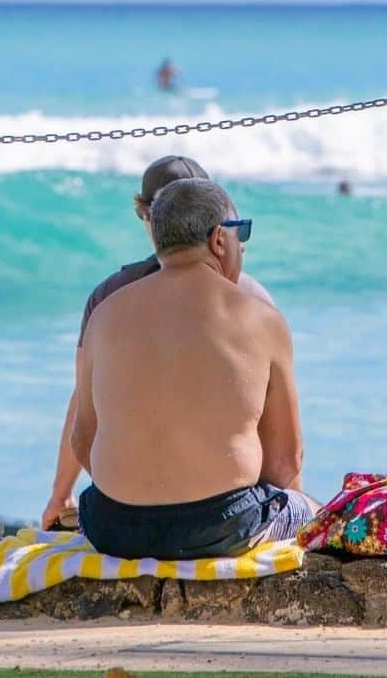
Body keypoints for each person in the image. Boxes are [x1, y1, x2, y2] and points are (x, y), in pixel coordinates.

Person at [71, 177, 316, 559]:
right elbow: (286, 462)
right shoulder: (261, 319)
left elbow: (82, 442)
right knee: (308, 508)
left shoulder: (105, 314)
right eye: (241, 233)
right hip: (223, 526)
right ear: (219, 239)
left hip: (112, 528)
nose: (243, 247)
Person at [40, 156, 275, 531]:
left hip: (125, 516)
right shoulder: (252, 299)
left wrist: (63, 493)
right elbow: (275, 435)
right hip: (227, 505)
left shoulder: (109, 299)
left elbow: (84, 418)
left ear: (149, 217)